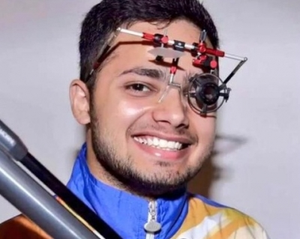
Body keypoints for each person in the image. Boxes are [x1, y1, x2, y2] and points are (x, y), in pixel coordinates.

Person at [0, 0, 269, 238]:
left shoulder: (241, 233)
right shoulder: (18, 236)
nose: (176, 115)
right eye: (139, 87)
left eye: (203, 93)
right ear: (83, 102)